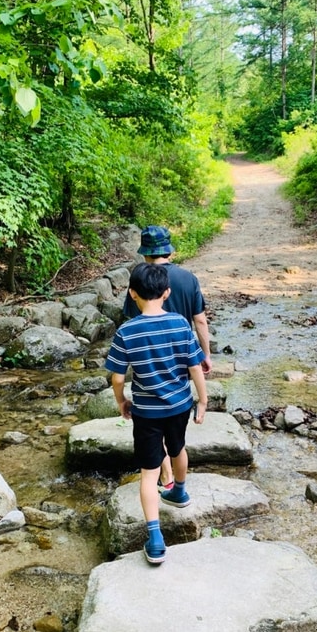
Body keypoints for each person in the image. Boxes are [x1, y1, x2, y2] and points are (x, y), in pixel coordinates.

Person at [107, 263, 208, 565]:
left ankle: (154, 538)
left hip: (147, 412)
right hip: (179, 406)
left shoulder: (127, 331)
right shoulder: (180, 324)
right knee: (178, 448)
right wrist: (202, 401)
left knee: (149, 473)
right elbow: (194, 367)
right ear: (166, 292)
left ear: (132, 293)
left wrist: (121, 401)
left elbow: (117, 376)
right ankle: (179, 491)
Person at [123, 224, 212, 492]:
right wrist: (205, 354)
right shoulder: (187, 278)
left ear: (145, 252)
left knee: (152, 416)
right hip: (181, 355)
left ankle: (165, 474)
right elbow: (200, 320)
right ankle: (176, 477)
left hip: (149, 359)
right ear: (169, 250)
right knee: (174, 417)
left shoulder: (137, 279)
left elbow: (132, 319)